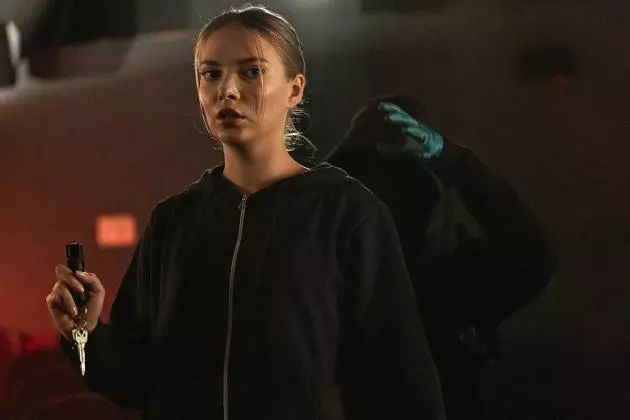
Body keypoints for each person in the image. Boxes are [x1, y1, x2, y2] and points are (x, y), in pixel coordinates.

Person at [45, 7, 445, 420]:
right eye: (211, 74)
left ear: (294, 89)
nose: (227, 90)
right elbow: (135, 382)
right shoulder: (174, 221)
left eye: (251, 72)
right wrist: (85, 333)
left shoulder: (347, 213)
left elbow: (402, 384)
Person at [326, 95, 557, 419]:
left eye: (410, 183)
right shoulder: (324, 281)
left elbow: (532, 258)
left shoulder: (453, 281)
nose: (397, 203)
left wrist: (450, 160)